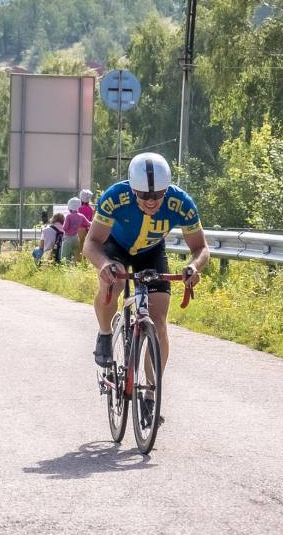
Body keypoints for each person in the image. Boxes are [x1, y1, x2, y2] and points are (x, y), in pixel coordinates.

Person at [84, 153, 209, 415]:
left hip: (151, 252)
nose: (151, 202)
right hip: (115, 248)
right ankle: (105, 333)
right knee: (113, 284)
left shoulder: (180, 203)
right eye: (143, 196)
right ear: (132, 189)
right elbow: (91, 244)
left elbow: (200, 248)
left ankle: (152, 389)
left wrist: (193, 267)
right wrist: (104, 265)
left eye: (158, 195)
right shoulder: (115, 197)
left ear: (168, 189)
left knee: (160, 321)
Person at [60, 197, 90, 262]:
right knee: (75, 254)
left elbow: (65, 228)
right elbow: (89, 223)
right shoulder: (81, 216)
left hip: (68, 238)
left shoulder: (68, 216)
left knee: (65, 255)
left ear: (69, 207)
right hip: (76, 237)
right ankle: (74, 268)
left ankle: (66, 268)